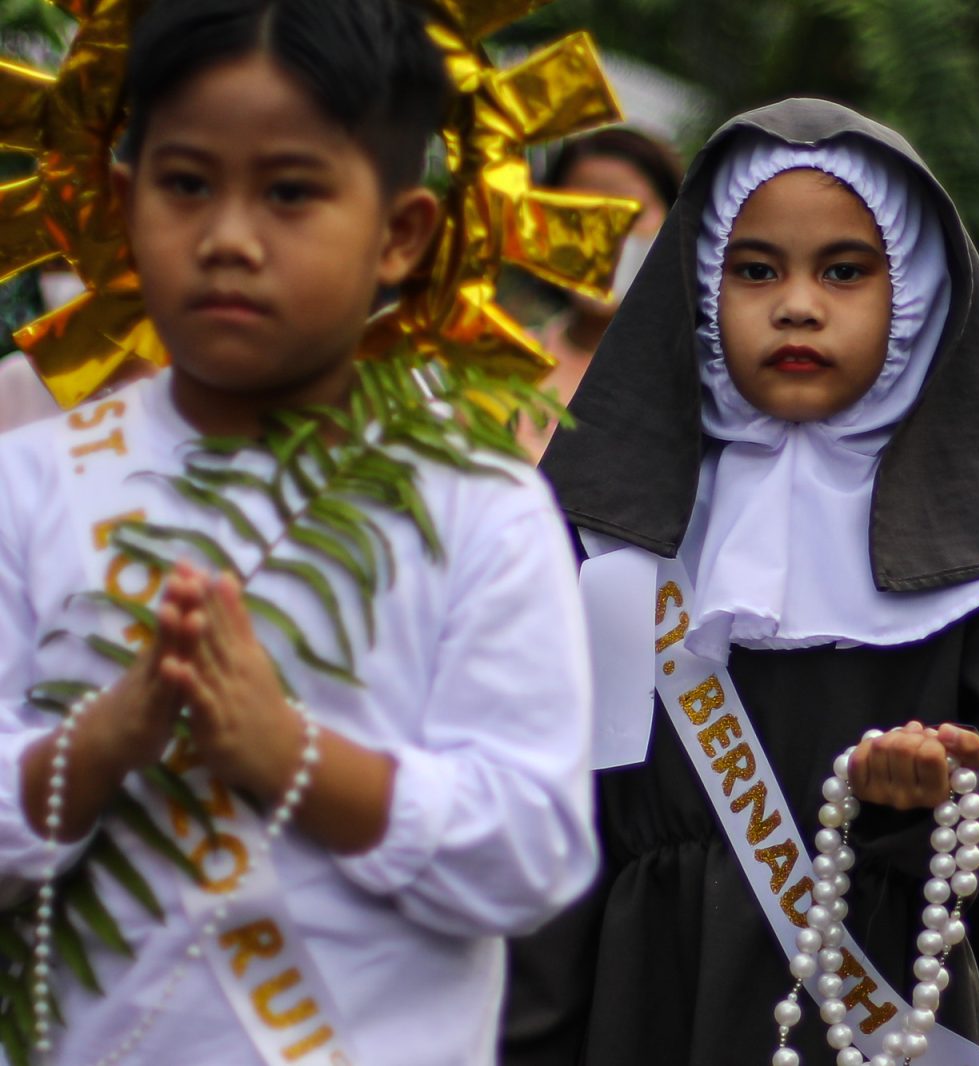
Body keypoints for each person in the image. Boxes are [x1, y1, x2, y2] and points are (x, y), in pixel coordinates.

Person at [0, 2, 597, 1063]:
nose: (228, 237)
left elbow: (535, 850)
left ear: (400, 234)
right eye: (187, 184)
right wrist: (101, 744)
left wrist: (291, 755)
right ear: (126, 201)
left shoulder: (479, 506)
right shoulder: (33, 480)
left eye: (290, 192)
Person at [506, 99, 979, 1065]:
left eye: (845, 270)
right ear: (700, 288)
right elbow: (550, 812)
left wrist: (941, 792)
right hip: (643, 995)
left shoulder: (978, 540)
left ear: (914, 292)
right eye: (755, 269)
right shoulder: (612, 525)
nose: (797, 303)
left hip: (876, 993)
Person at [519, 128, 682, 461]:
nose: (602, 233)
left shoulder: (702, 391)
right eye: (577, 214)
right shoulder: (499, 365)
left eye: (628, 212)